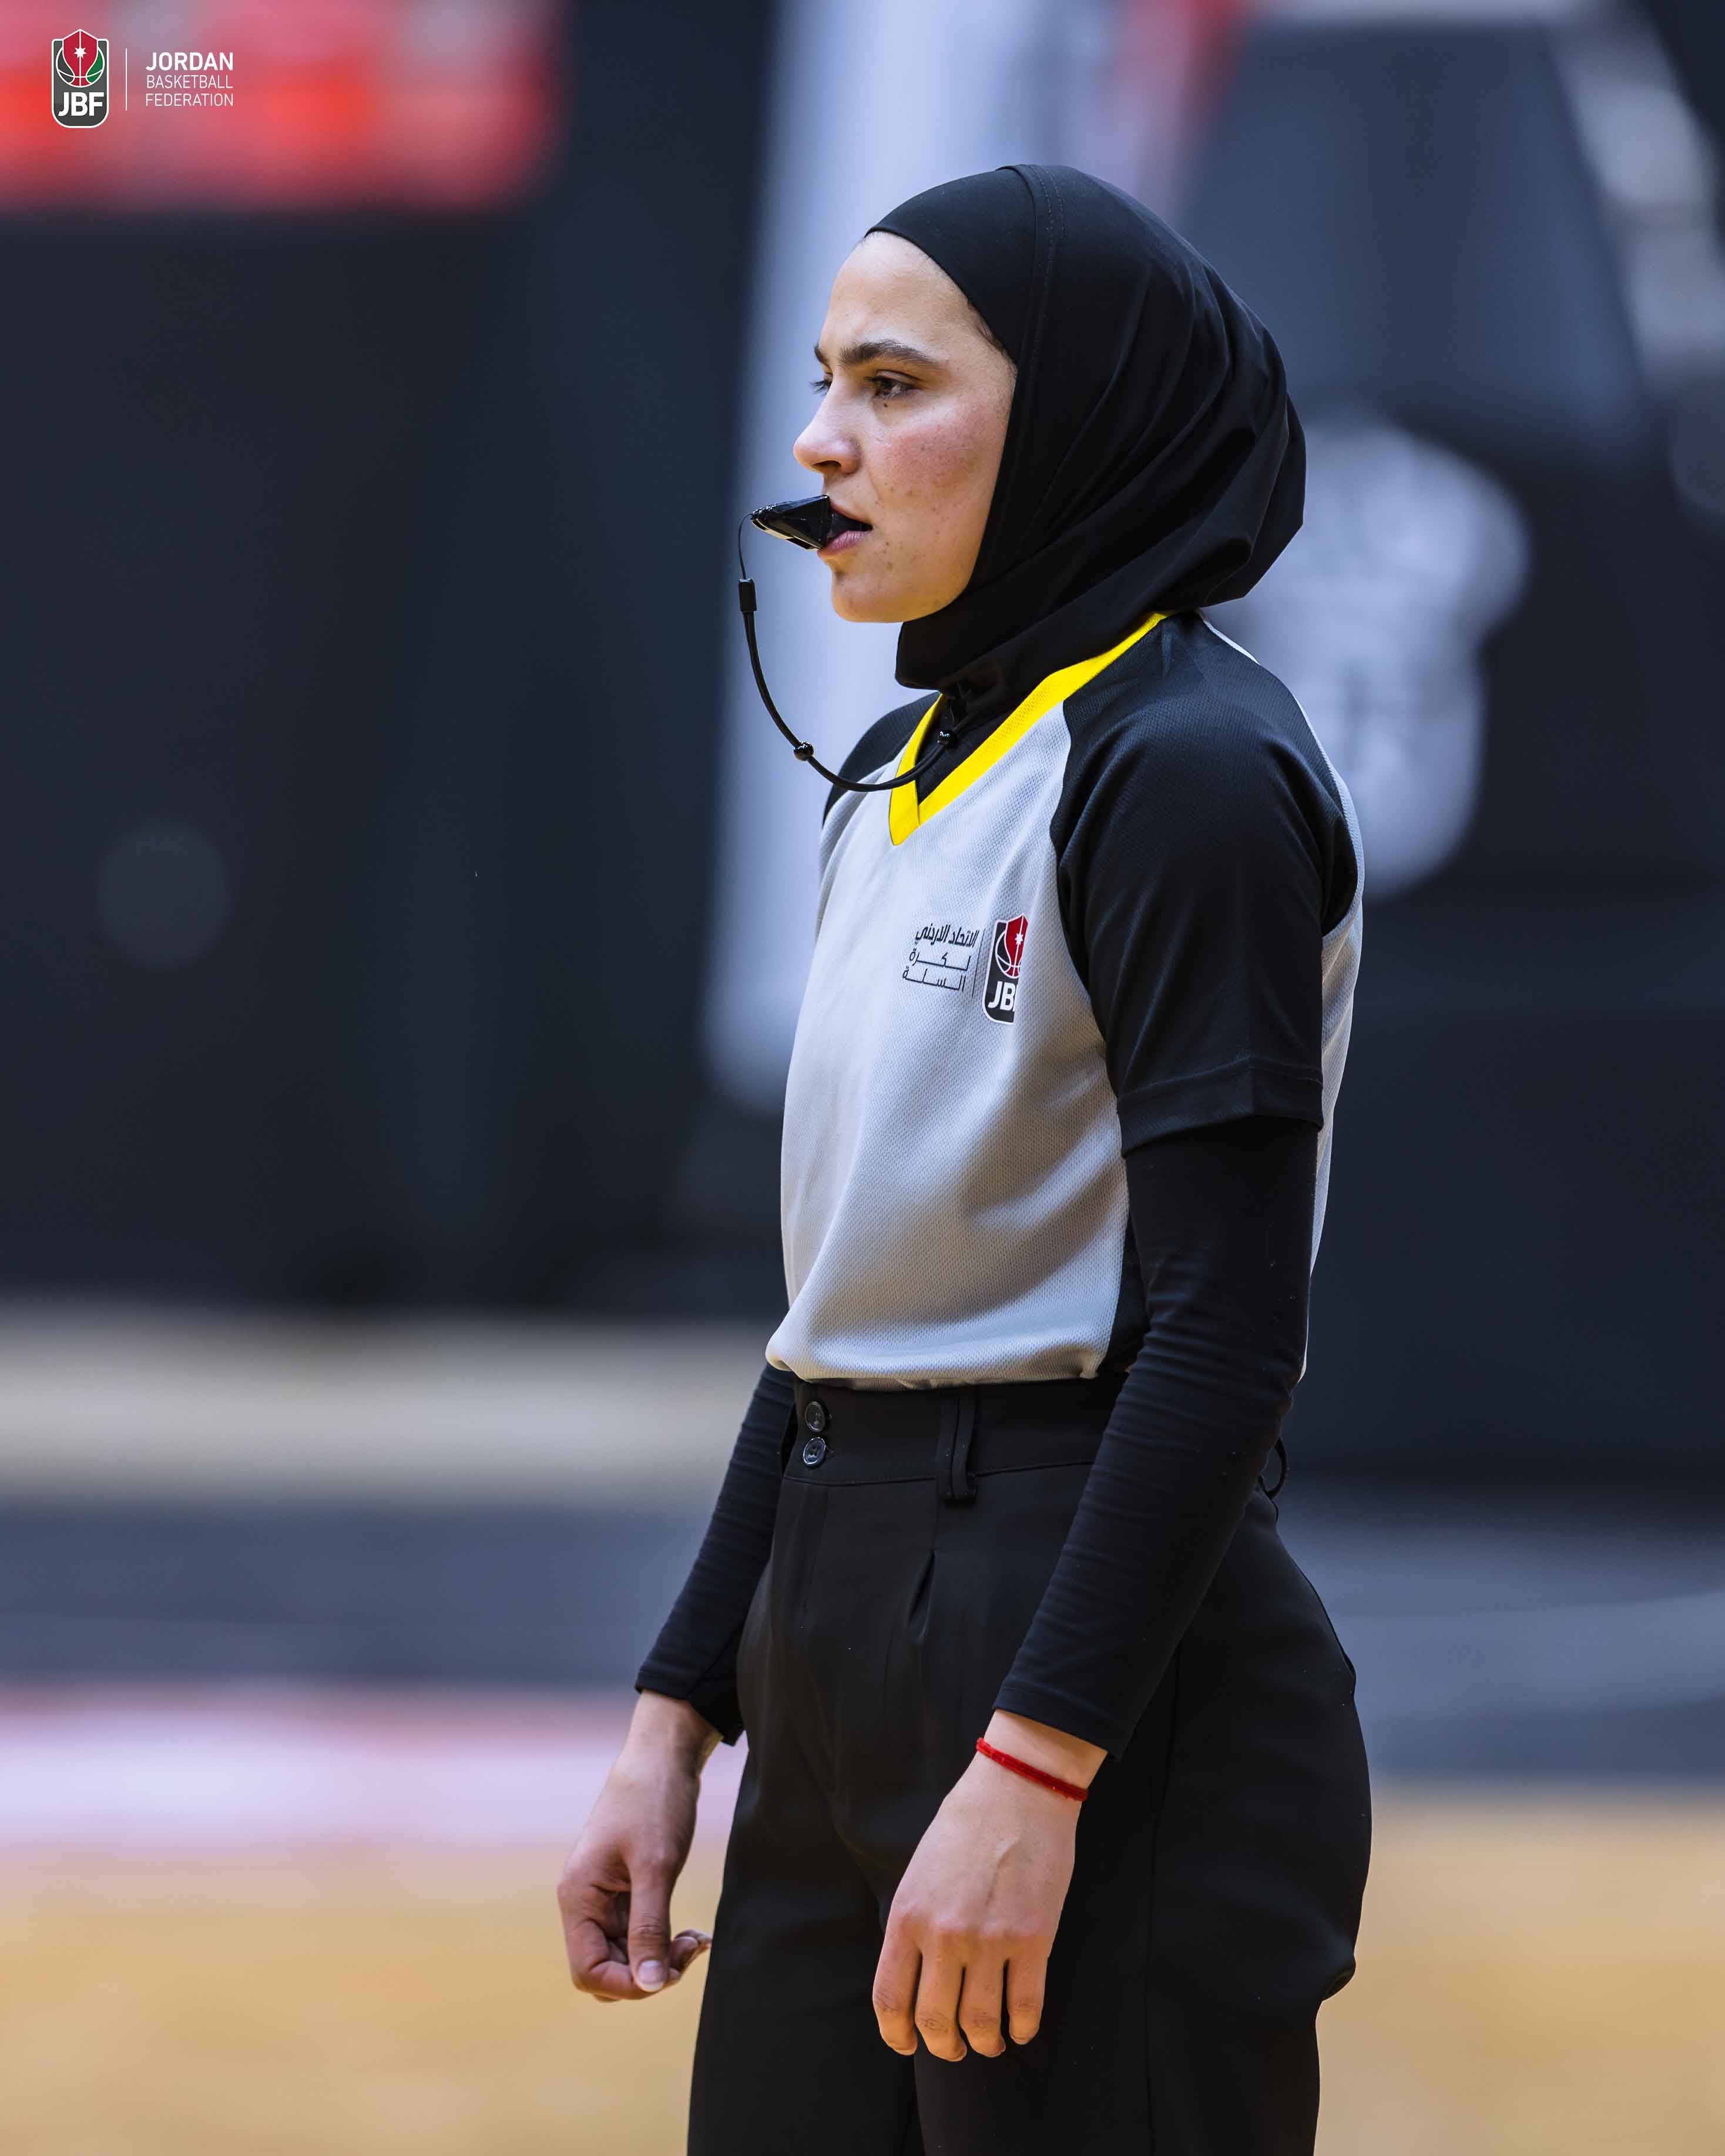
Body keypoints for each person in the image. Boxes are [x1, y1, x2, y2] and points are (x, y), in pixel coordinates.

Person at [558, 163, 1371, 2156]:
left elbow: (1225, 1335)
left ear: (1075, 415)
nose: (821, 442)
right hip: (837, 1621)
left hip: (1080, 1631)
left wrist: (1039, 1763)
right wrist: (681, 1706)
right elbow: (840, 1320)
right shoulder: (894, 771)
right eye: (826, 378)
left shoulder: (1186, 775)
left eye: (897, 385)